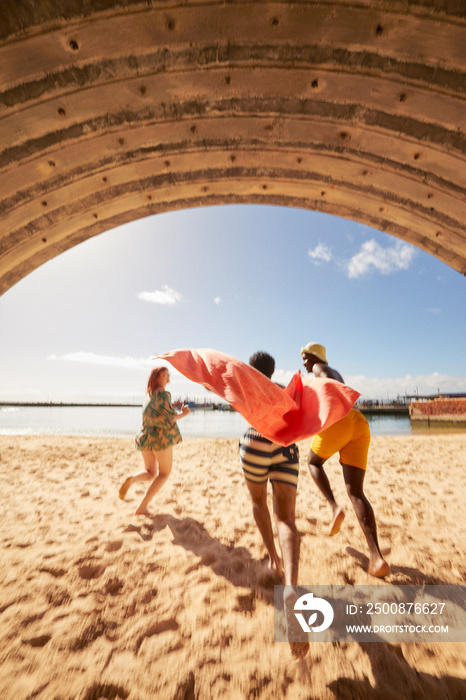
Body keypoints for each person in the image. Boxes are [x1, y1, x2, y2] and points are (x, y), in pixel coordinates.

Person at [240, 351, 309, 659]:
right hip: (284, 445)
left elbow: (214, 384)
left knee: (258, 501)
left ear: (250, 369)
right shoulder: (281, 391)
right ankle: (291, 586)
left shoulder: (244, 388)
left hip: (253, 442)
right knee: (287, 518)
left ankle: (273, 559)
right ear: (272, 370)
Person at [301, 342, 390, 578]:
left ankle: (333, 507)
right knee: (357, 493)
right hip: (358, 423)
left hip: (339, 421)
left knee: (313, 462)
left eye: (305, 356)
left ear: (315, 357)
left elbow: (327, 382)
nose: (304, 361)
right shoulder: (333, 372)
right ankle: (376, 558)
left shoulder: (321, 369)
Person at [119, 366, 190, 515]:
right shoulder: (163, 395)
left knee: (150, 473)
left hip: (145, 438)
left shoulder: (149, 397)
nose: (169, 376)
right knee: (164, 474)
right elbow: (168, 419)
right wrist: (184, 414)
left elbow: (155, 418)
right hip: (160, 439)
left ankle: (132, 480)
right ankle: (142, 507)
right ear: (158, 377)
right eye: (166, 374)